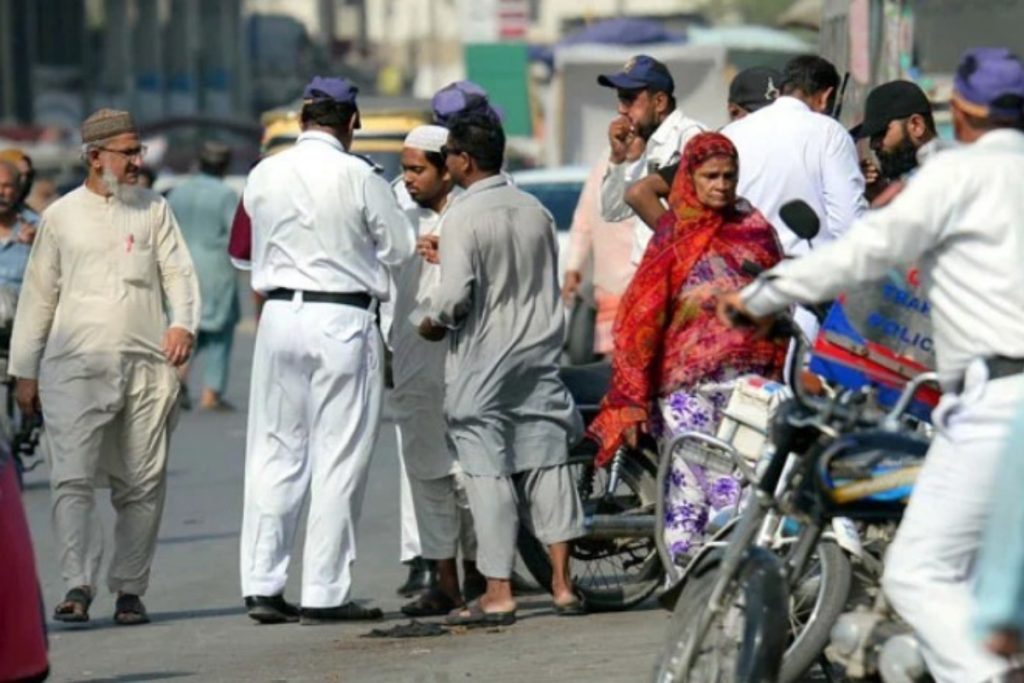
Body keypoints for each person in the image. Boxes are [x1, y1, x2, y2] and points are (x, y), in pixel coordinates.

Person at [718, 47, 1024, 683]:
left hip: (997, 405)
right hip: (978, 397)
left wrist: (758, 297)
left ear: (961, 111)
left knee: (918, 571)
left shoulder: (954, 178)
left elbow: (861, 252)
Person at [9, 108, 200, 626]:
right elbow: (39, 296)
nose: (138, 161)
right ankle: (77, 582)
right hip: (73, 367)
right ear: (96, 158)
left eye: (138, 151)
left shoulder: (154, 209)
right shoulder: (61, 217)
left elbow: (179, 273)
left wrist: (182, 324)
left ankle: (130, 588)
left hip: (145, 365)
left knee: (141, 483)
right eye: (129, 152)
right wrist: (25, 369)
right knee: (70, 479)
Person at [239, 76, 414, 625]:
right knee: (338, 457)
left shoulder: (263, 172)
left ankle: (262, 585)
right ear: (353, 122)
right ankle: (323, 591)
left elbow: (242, 254)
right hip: (341, 317)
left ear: (300, 120)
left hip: (279, 317)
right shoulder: (359, 175)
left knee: (274, 452)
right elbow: (400, 247)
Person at [418, 113, 585, 624]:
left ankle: (498, 590)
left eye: (448, 154)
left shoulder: (463, 216)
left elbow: (454, 297)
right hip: (538, 355)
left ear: (463, 161)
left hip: (482, 361)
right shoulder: (533, 210)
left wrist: (429, 323)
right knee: (548, 464)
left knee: (487, 472)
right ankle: (562, 585)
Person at [588, 132, 787, 560]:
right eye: (710, 176)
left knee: (735, 477)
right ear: (689, 179)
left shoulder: (755, 229)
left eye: (728, 176)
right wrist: (632, 395)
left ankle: (712, 581)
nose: (720, 185)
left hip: (748, 384)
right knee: (700, 480)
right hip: (684, 386)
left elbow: (777, 289)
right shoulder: (673, 235)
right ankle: (698, 575)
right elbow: (642, 315)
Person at [390, 78, 500, 597]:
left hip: (462, 363)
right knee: (427, 474)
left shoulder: (472, 212)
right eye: (405, 169)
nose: (408, 179)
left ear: (450, 168)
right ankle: (442, 577)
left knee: (470, 475)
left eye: (417, 170)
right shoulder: (393, 207)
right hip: (412, 362)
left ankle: (482, 570)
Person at [722, 54, 865, 254]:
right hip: (805, 271)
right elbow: (848, 222)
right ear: (825, 97)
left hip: (739, 267)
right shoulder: (829, 132)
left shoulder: (731, 133)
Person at [598, 55, 706, 264]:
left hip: (680, 267)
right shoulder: (645, 142)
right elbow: (613, 211)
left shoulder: (690, 136)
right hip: (651, 270)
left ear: (659, 102)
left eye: (629, 98)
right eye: (620, 99)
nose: (621, 109)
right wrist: (618, 158)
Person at [168, 141, 241, 411]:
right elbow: (235, 232)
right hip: (215, 267)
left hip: (182, 265)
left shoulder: (178, 192)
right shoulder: (225, 194)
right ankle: (211, 393)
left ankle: (178, 380)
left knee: (187, 326)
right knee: (219, 332)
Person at [561, 157, 635, 357]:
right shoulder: (602, 166)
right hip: (610, 288)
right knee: (615, 365)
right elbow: (583, 222)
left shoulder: (656, 160)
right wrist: (573, 268)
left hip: (644, 285)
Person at [851, 80, 943, 206]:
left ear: (916, 125)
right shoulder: (918, 178)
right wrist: (880, 192)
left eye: (882, 133)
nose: (873, 145)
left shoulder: (945, 175)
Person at [0, 160, 35, 290]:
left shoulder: (37, 228)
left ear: (18, 190)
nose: (0, 192)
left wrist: (37, 245)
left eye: (6, 186)